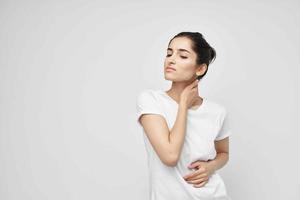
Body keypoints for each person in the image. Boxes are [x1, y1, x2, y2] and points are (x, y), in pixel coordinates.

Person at [136, 32, 232, 200]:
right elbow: (170, 156)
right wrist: (183, 106)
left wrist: (211, 167)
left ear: (200, 68)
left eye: (182, 56)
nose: (171, 60)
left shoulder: (217, 112)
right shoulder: (151, 101)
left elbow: (223, 153)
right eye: (169, 53)